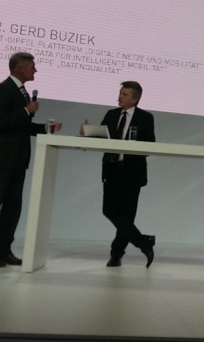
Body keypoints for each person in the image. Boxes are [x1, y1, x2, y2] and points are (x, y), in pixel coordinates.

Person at [0, 52, 62, 267]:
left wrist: (46, 128)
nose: (36, 70)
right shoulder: (3, 89)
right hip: (0, 158)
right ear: (19, 68)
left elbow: (22, 127)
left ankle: (3, 249)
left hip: (17, 159)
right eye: (32, 66)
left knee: (12, 208)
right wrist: (26, 110)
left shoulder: (21, 92)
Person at [81, 81, 156, 268]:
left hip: (133, 173)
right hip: (112, 169)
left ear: (135, 99)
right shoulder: (112, 114)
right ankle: (144, 242)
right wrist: (87, 133)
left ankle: (116, 255)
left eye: (124, 94)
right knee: (109, 210)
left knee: (127, 216)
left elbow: (150, 145)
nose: (120, 97)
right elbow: (101, 138)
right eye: (120, 93)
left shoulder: (146, 118)